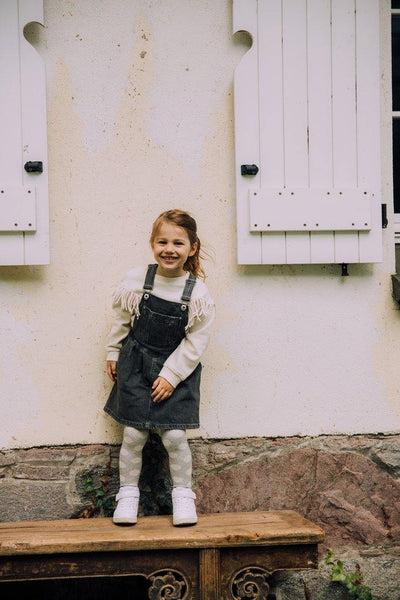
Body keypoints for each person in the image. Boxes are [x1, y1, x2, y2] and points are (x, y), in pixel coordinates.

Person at [104, 209, 215, 526]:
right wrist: (113, 351)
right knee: (133, 435)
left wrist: (171, 375)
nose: (169, 249)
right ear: (152, 244)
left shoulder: (198, 295)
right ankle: (127, 497)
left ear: (191, 248)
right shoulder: (136, 280)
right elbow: (121, 321)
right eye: (162, 241)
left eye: (178, 243)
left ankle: (183, 497)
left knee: (175, 438)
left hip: (176, 372)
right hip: (136, 367)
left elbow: (196, 342)